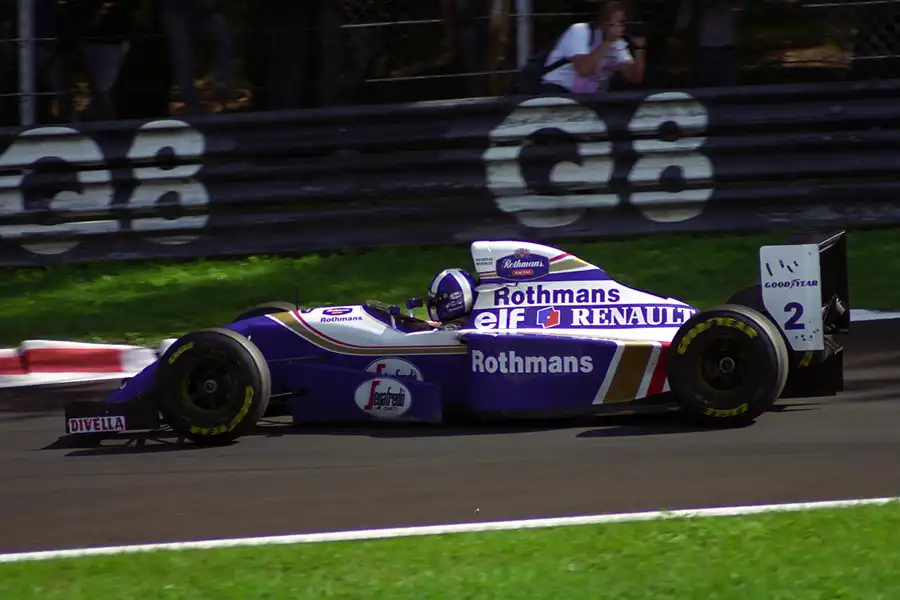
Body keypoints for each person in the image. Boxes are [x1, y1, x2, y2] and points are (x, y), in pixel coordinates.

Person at [539, 1, 646, 94]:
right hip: (558, 89)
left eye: (624, 23)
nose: (621, 27)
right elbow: (583, 71)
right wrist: (607, 42)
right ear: (604, 22)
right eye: (619, 22)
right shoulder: (580, 31)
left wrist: (639, 48)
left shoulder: (618, 43)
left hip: (588, 95)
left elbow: (635, 77)